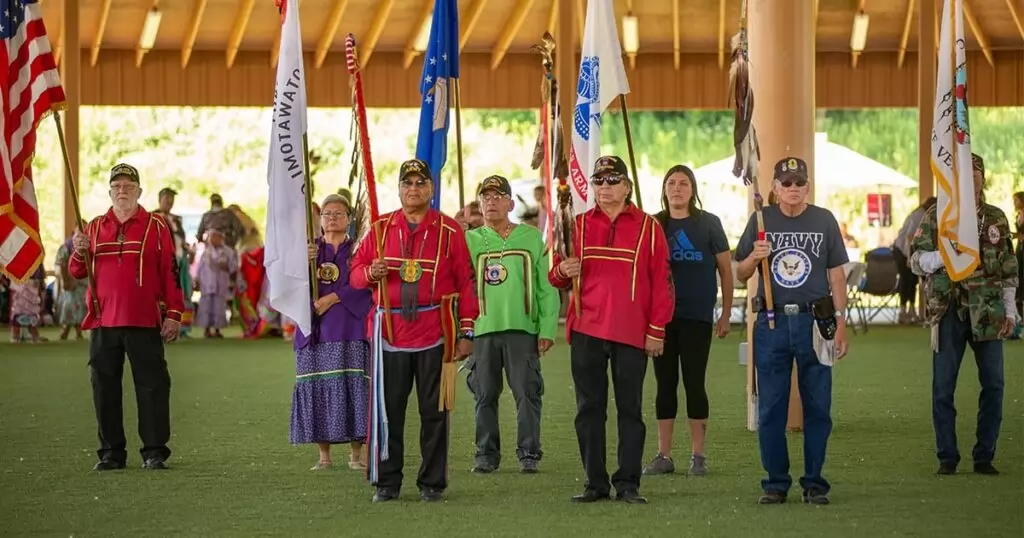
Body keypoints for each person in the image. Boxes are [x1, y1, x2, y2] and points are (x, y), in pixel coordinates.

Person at [350, 158, 478, 503]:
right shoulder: (379, 229)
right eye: (408, 183)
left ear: (431, 189)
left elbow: (466, 282)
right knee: (387, 412)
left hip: (435, 332)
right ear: (399, 189)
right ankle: (387, 483)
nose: (414, 189)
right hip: (389, 335)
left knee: (434, 412)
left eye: (421, 183)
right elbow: (355, 273)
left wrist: (467, 331)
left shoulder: (451, 231)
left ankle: (432, 483)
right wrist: (370, 274)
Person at [548, 155, 674, 505]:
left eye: (612, 180)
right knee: (589, 409)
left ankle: (628, 483)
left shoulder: (649, 227)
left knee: (630, 410)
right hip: (587, 329)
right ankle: (595, 482)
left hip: (633, 333)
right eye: (599, 181)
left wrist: (656, 330)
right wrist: (563, 271)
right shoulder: (575, 225)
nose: (604, 187)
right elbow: (555, 272)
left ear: (627, 186)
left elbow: (661, 282)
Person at [734, 156, 850, 506]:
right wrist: (755, 257)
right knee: (771, 406)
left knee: (819, 405)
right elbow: (740, 272)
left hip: (816, 321)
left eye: (800, 183)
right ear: (774, 188)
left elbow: (836, 275)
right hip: (772, 322)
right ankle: (775, 482)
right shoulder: (760, 221)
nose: (793, 189)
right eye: (786, 183)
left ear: (808, 187)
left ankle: (814, 482)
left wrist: (841, 323)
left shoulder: (824, 220)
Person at [69, 163, 185, 471]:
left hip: (145, 319)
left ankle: (154, 451)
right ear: (109, 191)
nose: (123, 191)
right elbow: (77, 271)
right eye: (117, 186)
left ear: (139, 192)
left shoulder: (156, 226)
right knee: (104, 387)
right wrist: (78, 250)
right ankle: (111, 453)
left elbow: (170, 273)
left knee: (152, 387)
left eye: (129, 187)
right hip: (103, 320)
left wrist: (174, 313)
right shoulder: (92, 228)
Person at [909, 153, 1019, 476]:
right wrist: (943, 259)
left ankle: (984, 455)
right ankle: (947, 455)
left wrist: (1011, 310)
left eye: (974, 175)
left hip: (988, 311)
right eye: (962, 175)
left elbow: (1010, 271)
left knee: (995, 385)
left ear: (983, 179)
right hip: (947, 310)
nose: (969, 181)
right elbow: (915, 261)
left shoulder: (997, 219)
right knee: (943, 387)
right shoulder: (936, 216)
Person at [464, 175, 559, 474]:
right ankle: (486, 454)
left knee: (527, 394)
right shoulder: (469, 241)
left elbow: (546, 286)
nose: (491, 202)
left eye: (497, 196)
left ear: (509, 202)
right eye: (485, 197)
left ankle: (529, 453)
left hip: (522, 329)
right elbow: (459, 287)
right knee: (484, 394)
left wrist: (546, 328)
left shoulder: (530, 238)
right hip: (482, 330)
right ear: (480, 203)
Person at [643, 165, 732, 477]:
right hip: (661, 321)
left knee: (695, 383)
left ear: (693, 190)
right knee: (664, 385)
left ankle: (698, 456)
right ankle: (664, 455)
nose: (677, 188)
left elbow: (725, 269)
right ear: (664, 190)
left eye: (683, 183)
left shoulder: (709, 224)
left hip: (697, 317)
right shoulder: (653, 224)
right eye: (671, 183)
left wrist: (725, 313)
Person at [292, 194, 374, 471]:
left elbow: (366, 284)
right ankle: (323, 456)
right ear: (319, 219)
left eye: (339, 214)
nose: (332, 218)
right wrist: (304, 264)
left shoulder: (358, 251)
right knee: (318, 387)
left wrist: (333, 298)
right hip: (315, 330)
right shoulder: (309, 251)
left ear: (349, 219)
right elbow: (288, 287)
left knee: (353, 387)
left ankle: (355, 455)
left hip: (349, 327)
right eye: (327, 213)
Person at [155, 188, 195, 337]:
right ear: (160, 200)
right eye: (167, 198)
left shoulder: (177, 219)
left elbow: (180, 239)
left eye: (172, 199)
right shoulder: (153, 217)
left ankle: (183, 328)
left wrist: (187, 249)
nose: (169, 202)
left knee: (183, 292)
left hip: (181, 259)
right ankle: (161, 327)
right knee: (163, 294)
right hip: (163, 260)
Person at [893, 197, 938, 324]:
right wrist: (909, 256)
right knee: (905, 279)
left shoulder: (925, 215)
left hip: (911, 251)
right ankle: (903, 311)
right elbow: (909, 237)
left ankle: (912, 310)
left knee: (912, 280)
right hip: (902, 251)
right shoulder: (920, 215)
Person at [195, 229, 237, 339]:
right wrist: (197, 280)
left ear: (221, 238)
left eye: (215, 236)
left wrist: (225, 266)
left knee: (219, 306)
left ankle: (217, 330)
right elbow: (200, 268)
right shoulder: (206, 252)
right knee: (206, 306)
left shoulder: (228, 252)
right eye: (211, 237)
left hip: (221, 282)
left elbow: (233, 267)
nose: (212, 239)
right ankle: (206, 330)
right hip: (207, 283)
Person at [56, 233, 88, 340]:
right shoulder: (67, 245)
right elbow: (62, 263)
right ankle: (65, 329)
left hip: (83, 282)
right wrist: (65, 281)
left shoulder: (88, 242)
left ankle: (79, 331)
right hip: (71, 279)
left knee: (81, 306)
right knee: (69, 305)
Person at [8, 265, 46, 343]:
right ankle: (16, 335)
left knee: (32, 312)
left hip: (33, 284)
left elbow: (40, 268)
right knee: (18, 310)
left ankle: (34, 335)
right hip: (19, 282)